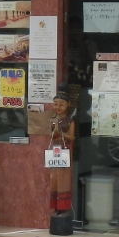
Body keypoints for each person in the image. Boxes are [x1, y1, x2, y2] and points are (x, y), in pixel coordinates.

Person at [48, 86, 75, 225]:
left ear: (68, 104)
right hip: (55, 150)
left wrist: (60, 133)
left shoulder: (70, 121)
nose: (58, 107)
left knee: (64, 179)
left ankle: (63, 208)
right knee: (54, 179)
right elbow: (50, 135)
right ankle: (56, 207)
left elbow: (71, 137)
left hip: (65, 150)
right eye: (55, 104)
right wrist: (55, 132)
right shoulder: (52, 119)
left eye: (61, 104)